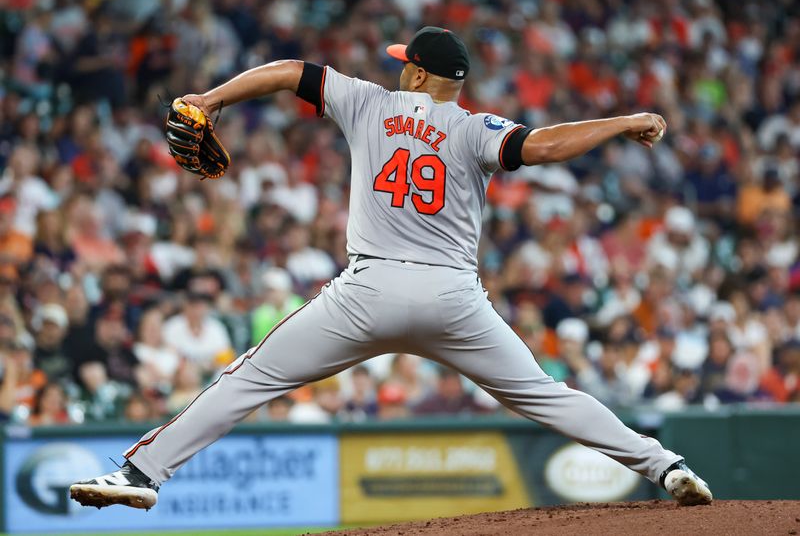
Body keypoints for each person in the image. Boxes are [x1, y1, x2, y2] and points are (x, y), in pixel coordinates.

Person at [71, 26, 711, 510]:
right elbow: (541, 147)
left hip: (368, 292)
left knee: (251, 377)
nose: (401, 71)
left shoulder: (367, 102)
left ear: (423, 76)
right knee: (546, 395)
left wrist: (211, 99)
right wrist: (623, 121)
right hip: (452, 298)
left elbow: (290, 72)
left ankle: (141, 475)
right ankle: (666, 467)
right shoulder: (473, 126)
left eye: (409, 65)